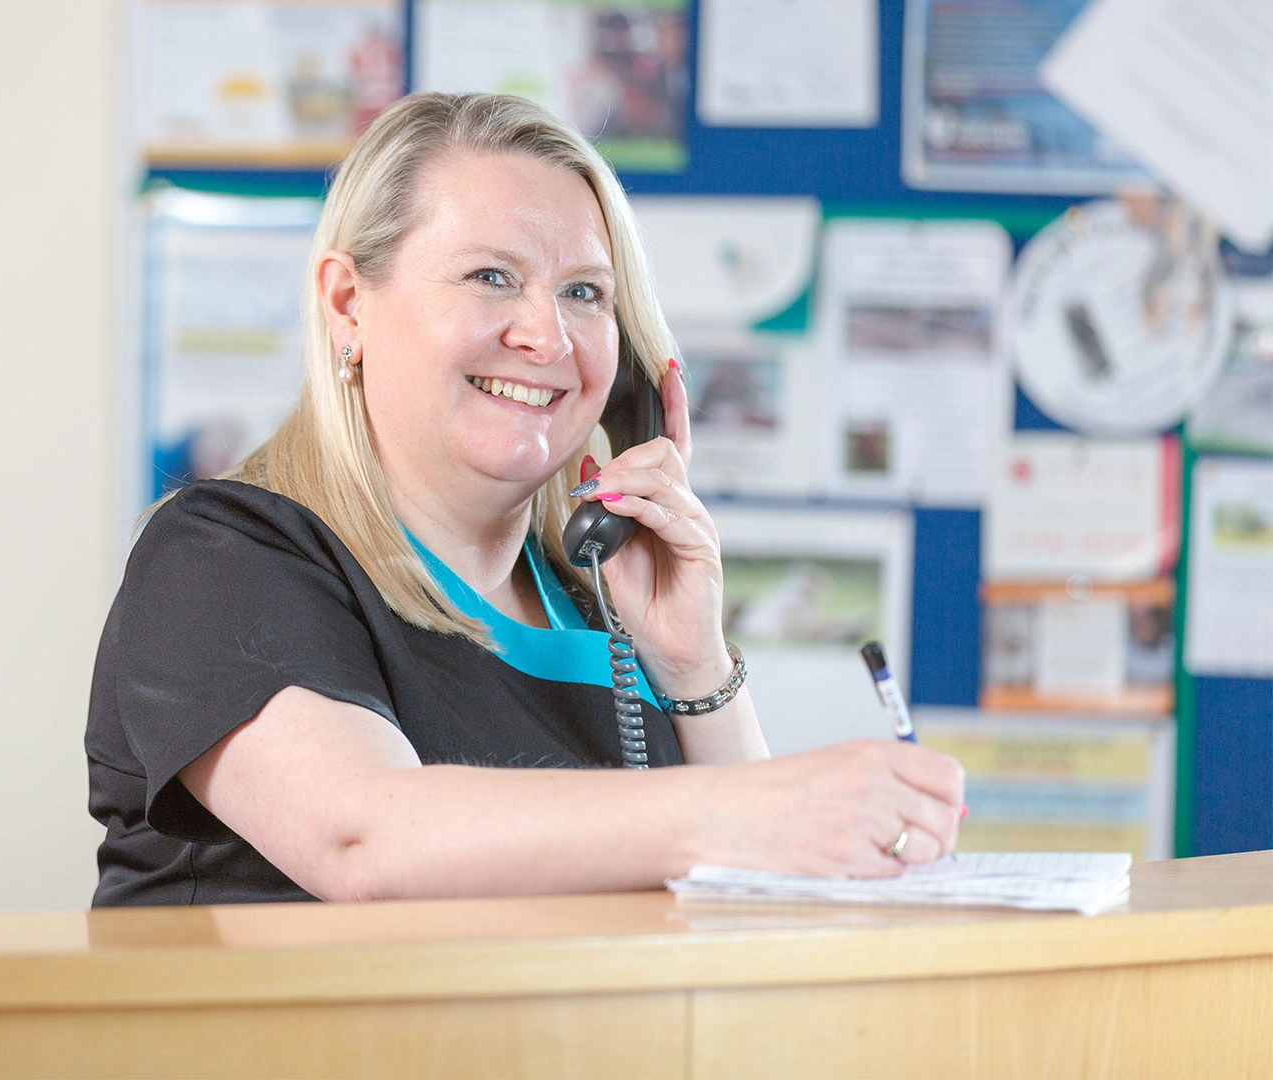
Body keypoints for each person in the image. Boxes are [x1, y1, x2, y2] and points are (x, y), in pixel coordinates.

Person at [86, 92, 964, 907]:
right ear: (348, 305)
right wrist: (753, 810)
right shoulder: (223, 560)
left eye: (583, 292)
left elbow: (751, 905)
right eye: (490, 278)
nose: (545, 336)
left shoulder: (602, 606)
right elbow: (363, 838)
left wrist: (694, 666)